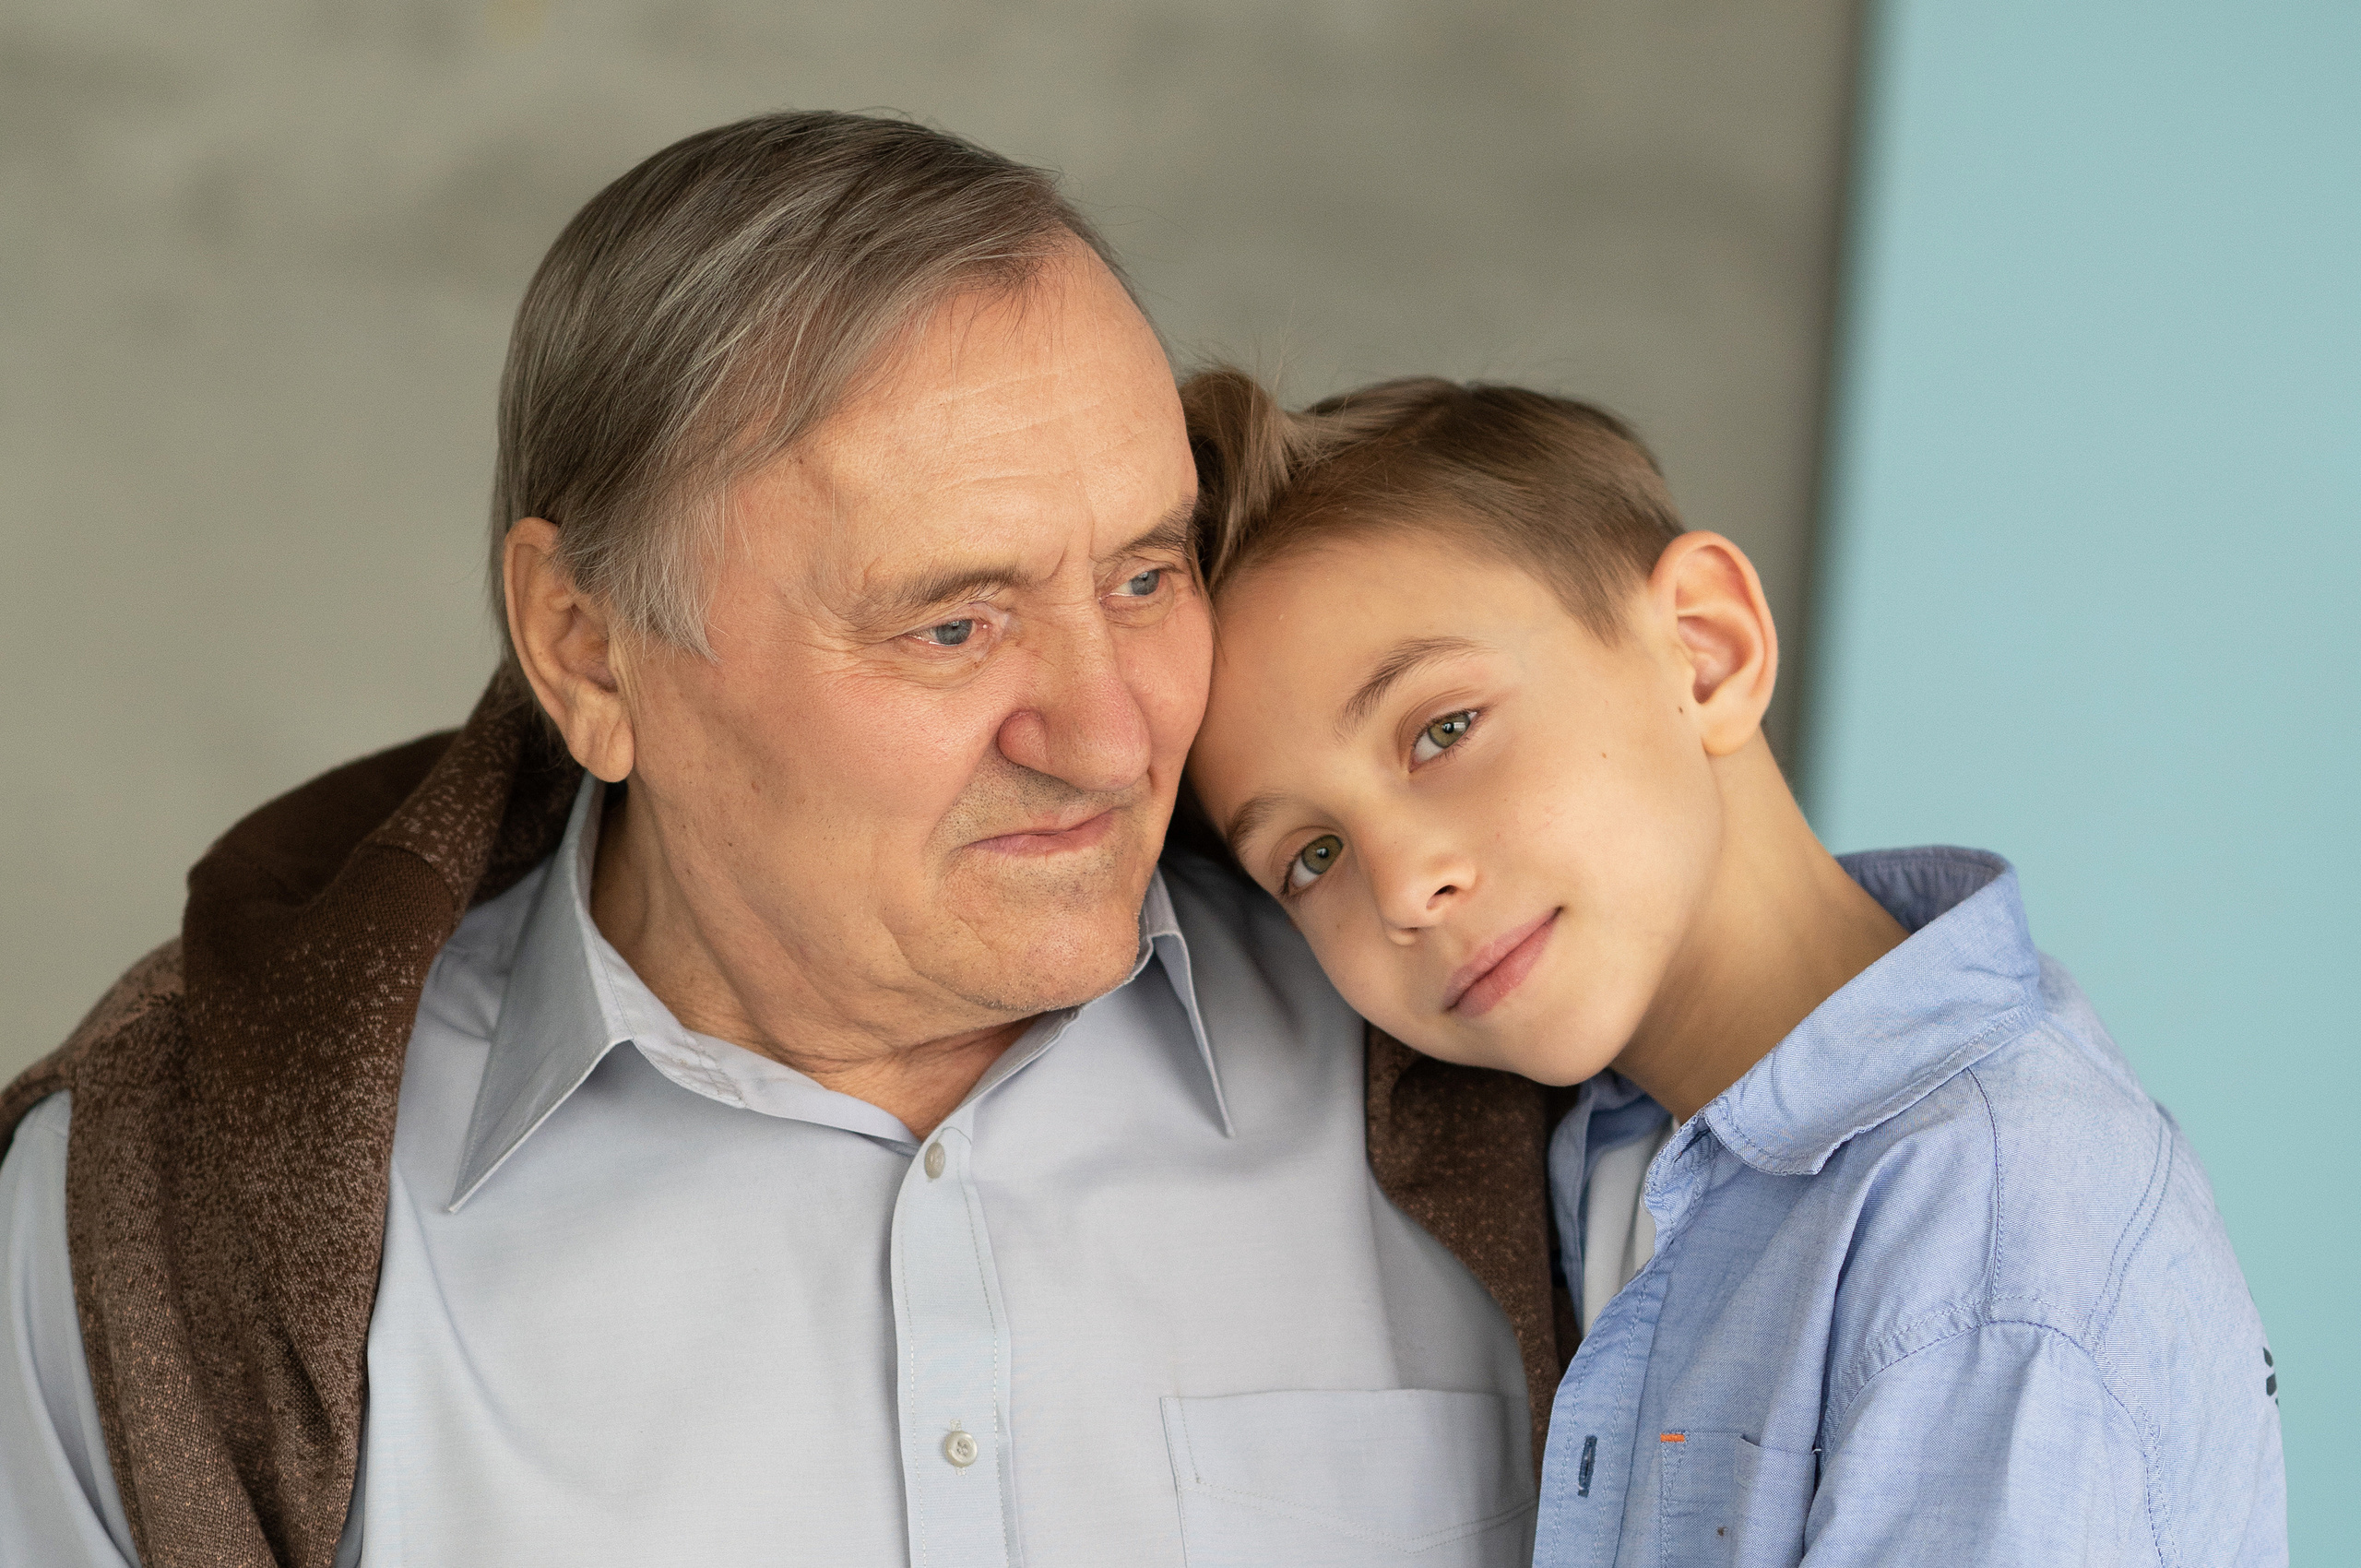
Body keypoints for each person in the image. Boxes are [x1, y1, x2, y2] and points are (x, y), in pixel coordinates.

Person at [0, 116, 1572, 1568]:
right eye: (955, 624)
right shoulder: (154, 1228)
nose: (1111, 736)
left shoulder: (1500, 1055)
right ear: (592, 656)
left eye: (1148, 578)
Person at [1181, 370, 2288, 1565]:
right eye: (1312, 856)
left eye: (1443, 729)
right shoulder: (1588, 1154)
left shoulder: (1983, 1223)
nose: (1402, 888)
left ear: (1706, 652)